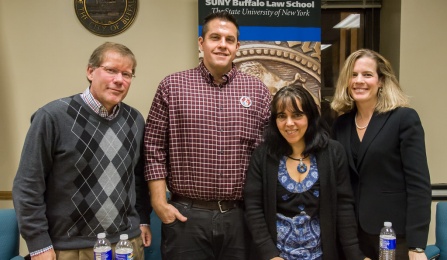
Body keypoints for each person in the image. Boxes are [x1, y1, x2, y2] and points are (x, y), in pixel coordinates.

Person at [144, 11, 271, 259]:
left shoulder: (257, 91)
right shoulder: (172, 86)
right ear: (201, 43)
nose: (222, 45)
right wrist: (159, 203)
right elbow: (153, 147)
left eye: (229, 39)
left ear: (237, 47)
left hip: (240, 217)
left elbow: (265, 154)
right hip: (186, 217)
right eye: (215, 37)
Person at [12, 42, 152, 260]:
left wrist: (143, 219)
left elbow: (139, 178)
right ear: (90, 71)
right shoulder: (52, 117)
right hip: (68, 248)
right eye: (111, 70)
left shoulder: (135, 121)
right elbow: (28, 184)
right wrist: (38, 244)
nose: (119, 80)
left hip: (126, 245)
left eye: (127, 74)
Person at [244, 85, 369, 260]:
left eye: (297, 115)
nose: (289, 123)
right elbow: (253, 209)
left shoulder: (333, 152)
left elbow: (343, 206)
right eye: (282, 116)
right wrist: (270, 254)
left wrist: (355, 254)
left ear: (310, 117)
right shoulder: (263, 155)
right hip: (276, 256)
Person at [331, 49, 431, 260]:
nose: (359, 81)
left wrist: (417, 245)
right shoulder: (341, 124)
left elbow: (418, 184)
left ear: (382, 81)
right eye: (354, 74)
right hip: (353, 236)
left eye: (367, 74)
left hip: (393, 235)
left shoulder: (404, 118)